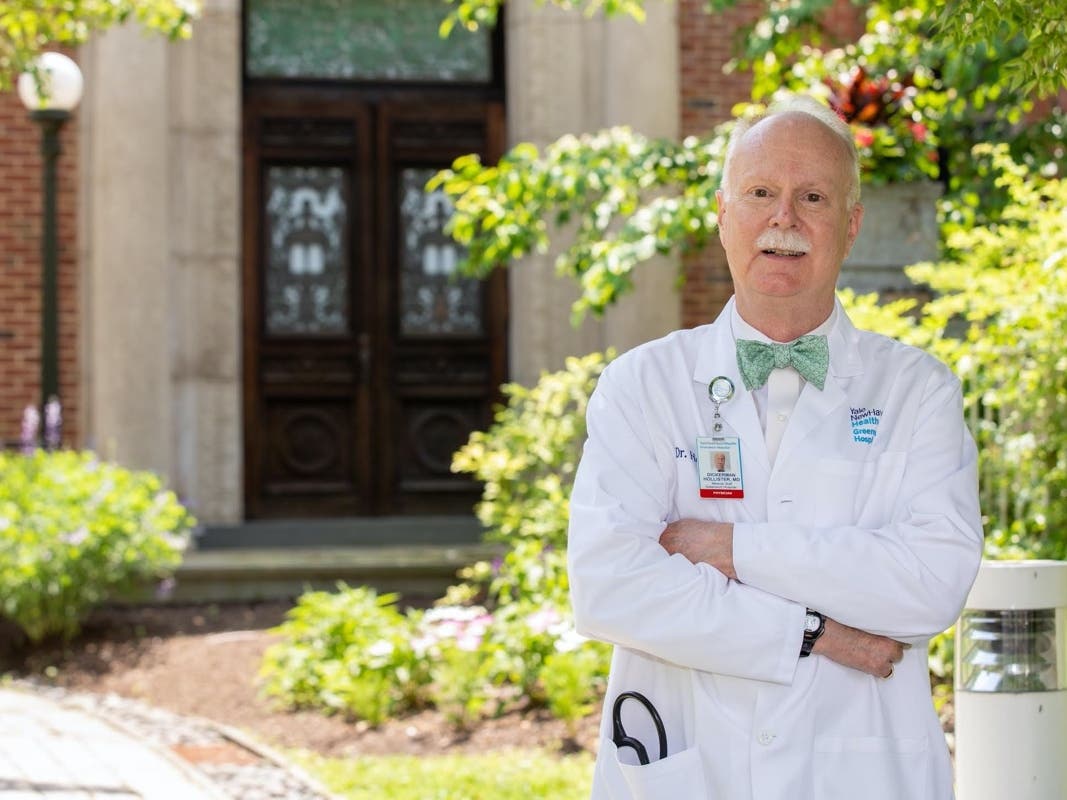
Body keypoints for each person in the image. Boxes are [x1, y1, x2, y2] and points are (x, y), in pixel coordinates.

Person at [567, 94, 983, 800]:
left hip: (862, 768)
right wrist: (817, 634)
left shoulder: (918, 391)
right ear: (723, 215)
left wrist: (727, 548)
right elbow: (608, 587)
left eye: (812, 196)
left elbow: (930, 584)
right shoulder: (642, 385)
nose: (783, 218)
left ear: (849, 226)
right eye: (760, 192)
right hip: (691, 761)